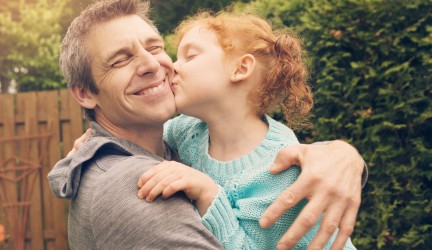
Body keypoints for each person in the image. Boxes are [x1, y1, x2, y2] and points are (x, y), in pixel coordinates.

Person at [49, 0, 367, 249]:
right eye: (120, 59)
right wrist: (81, 157)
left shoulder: (279, 168)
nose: (161, 66)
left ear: (240, 70)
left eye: (157, 48)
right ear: (85, 93)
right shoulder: (179, 139)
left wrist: (345, 155)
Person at [136, 11, 356, 249]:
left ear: (240, 69)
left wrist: (207, 193)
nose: (173, 68)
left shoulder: (280, 168)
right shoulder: (186, 130)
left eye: (190, 56)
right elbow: (136, 139)